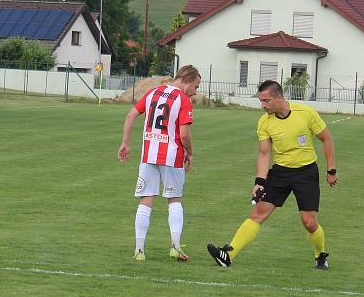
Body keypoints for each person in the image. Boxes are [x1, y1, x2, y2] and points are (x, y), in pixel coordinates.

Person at [207, 80, 338, 270]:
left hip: (306, 172)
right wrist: (259, 182)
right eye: (261, 101)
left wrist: (331, 170)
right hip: (280, 172)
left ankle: (320, 255)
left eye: (266, 101)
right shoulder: (265, 122)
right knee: (257, 213)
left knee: (309, 222)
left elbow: (326, 138)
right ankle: (228, 255)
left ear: (279, 97)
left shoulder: (306, 113)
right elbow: (264, 153)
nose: (263, 105)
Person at [118, 65, 201, 262]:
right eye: (196, 86)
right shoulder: (183, 100)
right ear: (187, 79)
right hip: (171, 156)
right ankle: (175, 246)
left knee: (146, 200)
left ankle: (139, 250)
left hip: (148, 155)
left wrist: (125, 143)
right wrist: (190, 153)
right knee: (174, 200)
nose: (195, 92)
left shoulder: (153, 93)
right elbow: (184, 134)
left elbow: (130, 115)